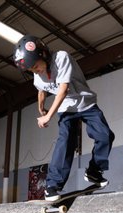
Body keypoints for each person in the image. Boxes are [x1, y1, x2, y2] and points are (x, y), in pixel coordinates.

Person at [14, 35, 115, 201]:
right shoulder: (37, 74)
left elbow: (63, 90)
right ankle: (52, 186)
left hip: (85, 103)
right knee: (66, 141)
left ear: (43, 54)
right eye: (31, 70)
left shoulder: (61, 58)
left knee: (105, 135)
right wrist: (40, 107)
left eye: (36, 67)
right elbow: (41, 90)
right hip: (66, 109)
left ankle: (94, 172)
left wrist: (48, 117)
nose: (35, 71)